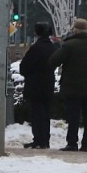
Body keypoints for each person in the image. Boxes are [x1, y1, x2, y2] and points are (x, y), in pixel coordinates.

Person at [49, 17, 87, 152]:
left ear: (75, 30)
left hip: (72, 87)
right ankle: (86, 144)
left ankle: (72, 143)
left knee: (73, 116)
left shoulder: (69, 45)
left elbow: (53, 61)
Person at [19, 22, 56, 150]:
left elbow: (24, 68)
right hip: (49, 83)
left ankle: (38, 139)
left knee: (36, 113)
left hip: (35, 84)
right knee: (46, 113)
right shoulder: (52, 47)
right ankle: (45, 139)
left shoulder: (35, 48)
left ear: (37, 33)